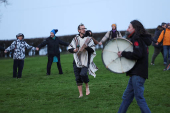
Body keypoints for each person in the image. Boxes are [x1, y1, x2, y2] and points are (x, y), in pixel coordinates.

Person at [117, 20, 152, 113]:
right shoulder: (139, 38)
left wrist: (123, 53)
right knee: (126, 98)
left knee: (139, 99)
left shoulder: (137, 38)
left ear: (135, 28)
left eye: (129, 27)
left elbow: (137, 54)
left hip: (138, 74)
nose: (127, 29)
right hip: (135, 74)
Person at [68, 23, 98, 98]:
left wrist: (86, 47)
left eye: (85, 28)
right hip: (76, 60)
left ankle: (87, 87)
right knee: (78, 77)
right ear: (79, 30)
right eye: (82, 28)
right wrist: (74, 49)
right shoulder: (75, 39)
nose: (84, 30)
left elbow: (92, 50)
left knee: (83, 74)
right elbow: (69, 48)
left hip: (85, 60)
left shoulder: (89, 39)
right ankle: (80, 94)